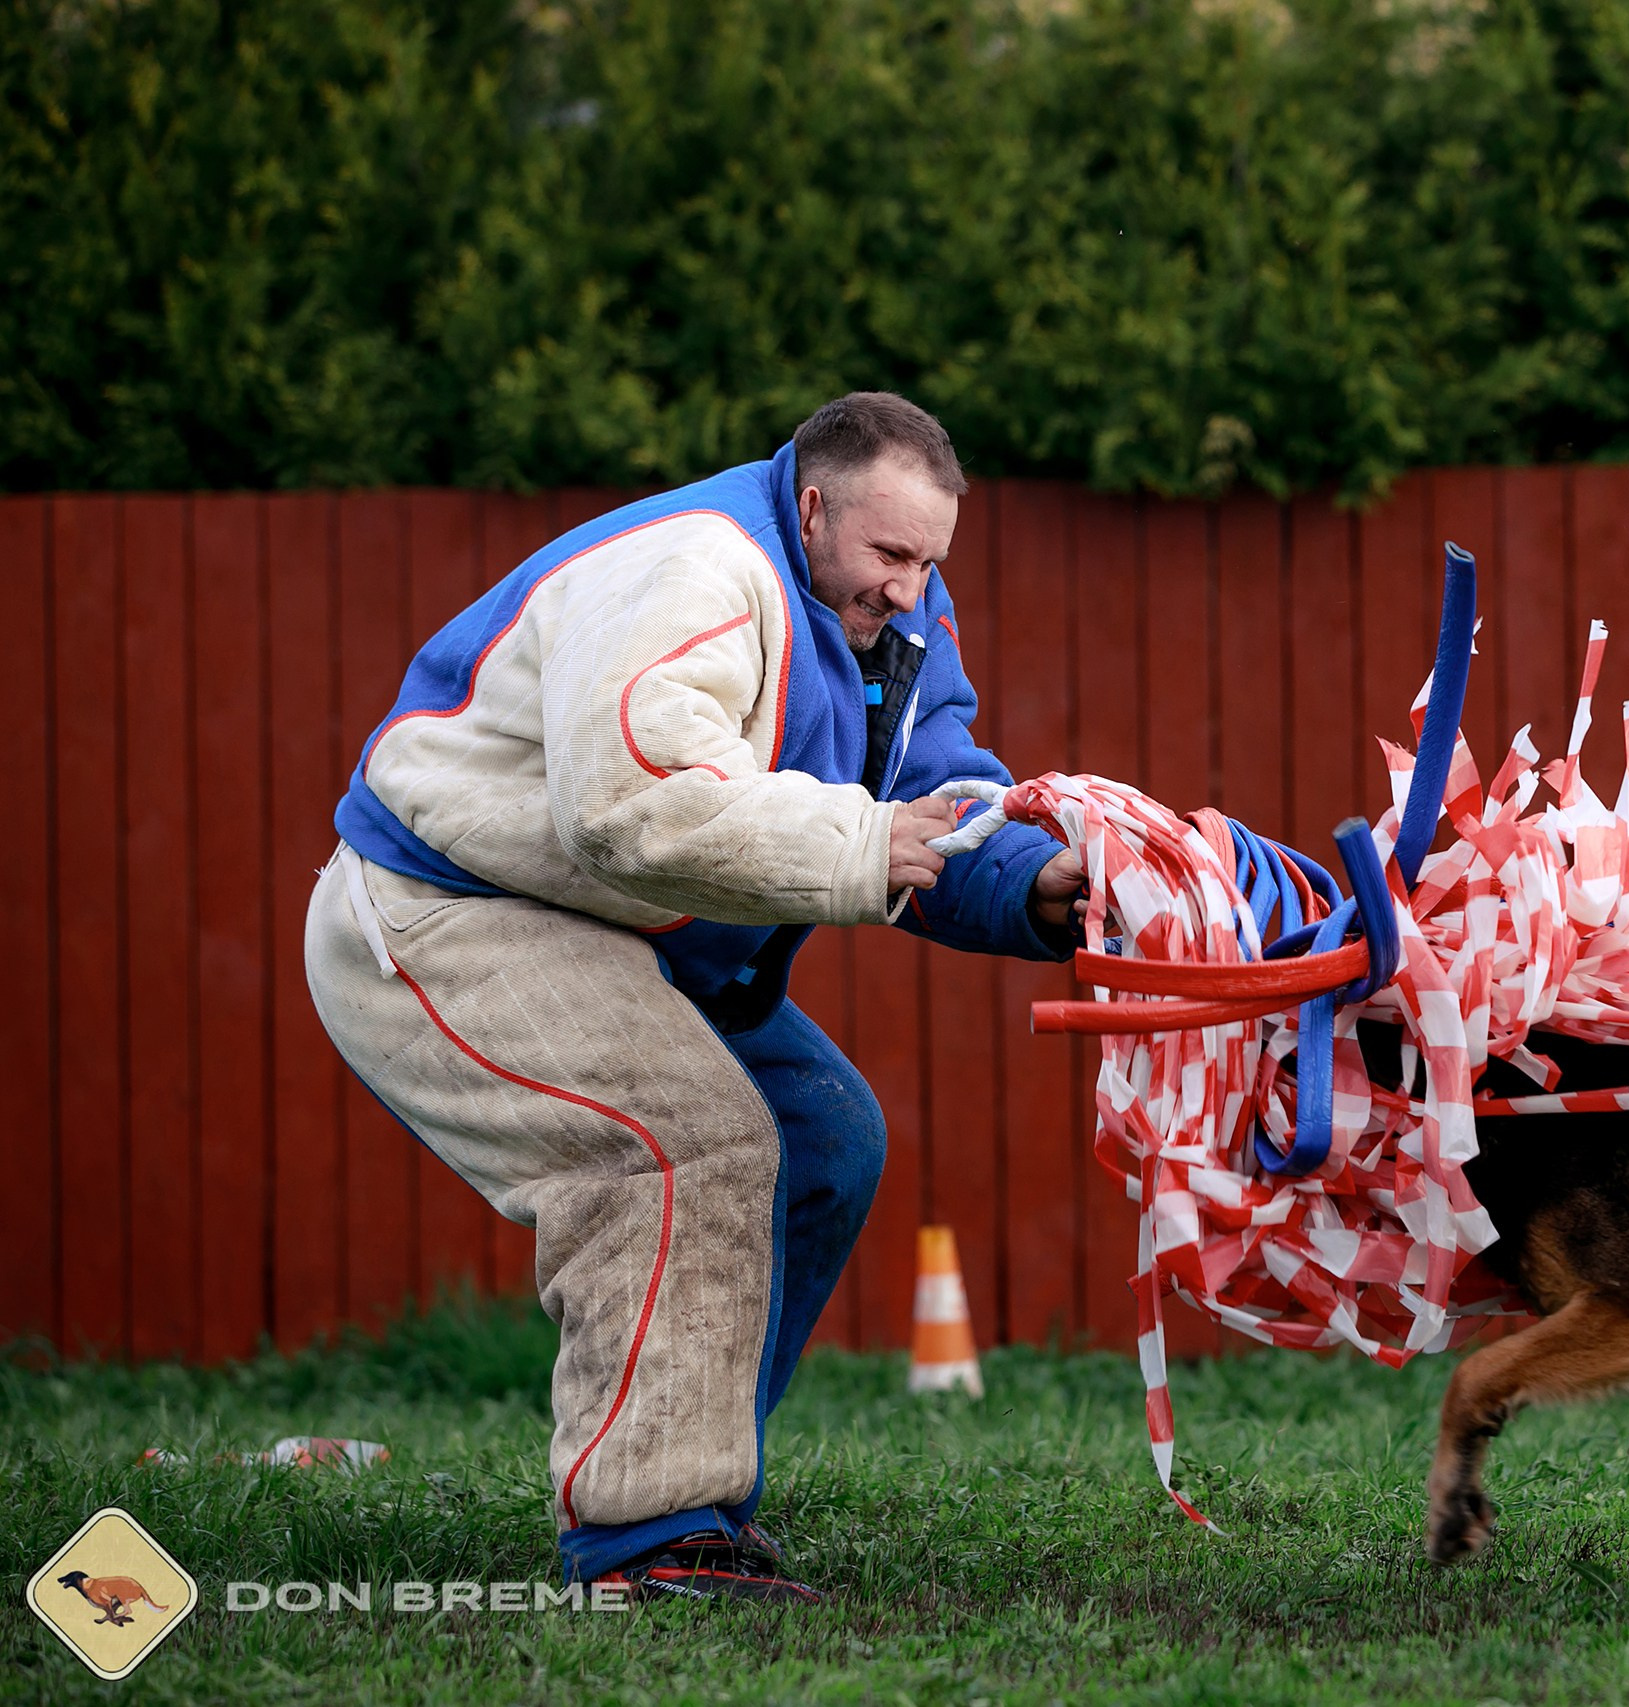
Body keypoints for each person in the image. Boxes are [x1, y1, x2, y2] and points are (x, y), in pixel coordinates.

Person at [304, 392, 1083, 1602]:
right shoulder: (693, 567)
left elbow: (940, 801)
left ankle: (698, 1489)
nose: (911, 591)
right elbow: (634, 807)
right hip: (444, 911)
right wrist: (872, 845)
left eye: (931, 562)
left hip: (615, 929)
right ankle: (647, 1541)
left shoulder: (894, 614)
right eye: (889, 555)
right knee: (684, 1146)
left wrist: (1044, 888)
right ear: (812, 508)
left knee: (824, 1137)